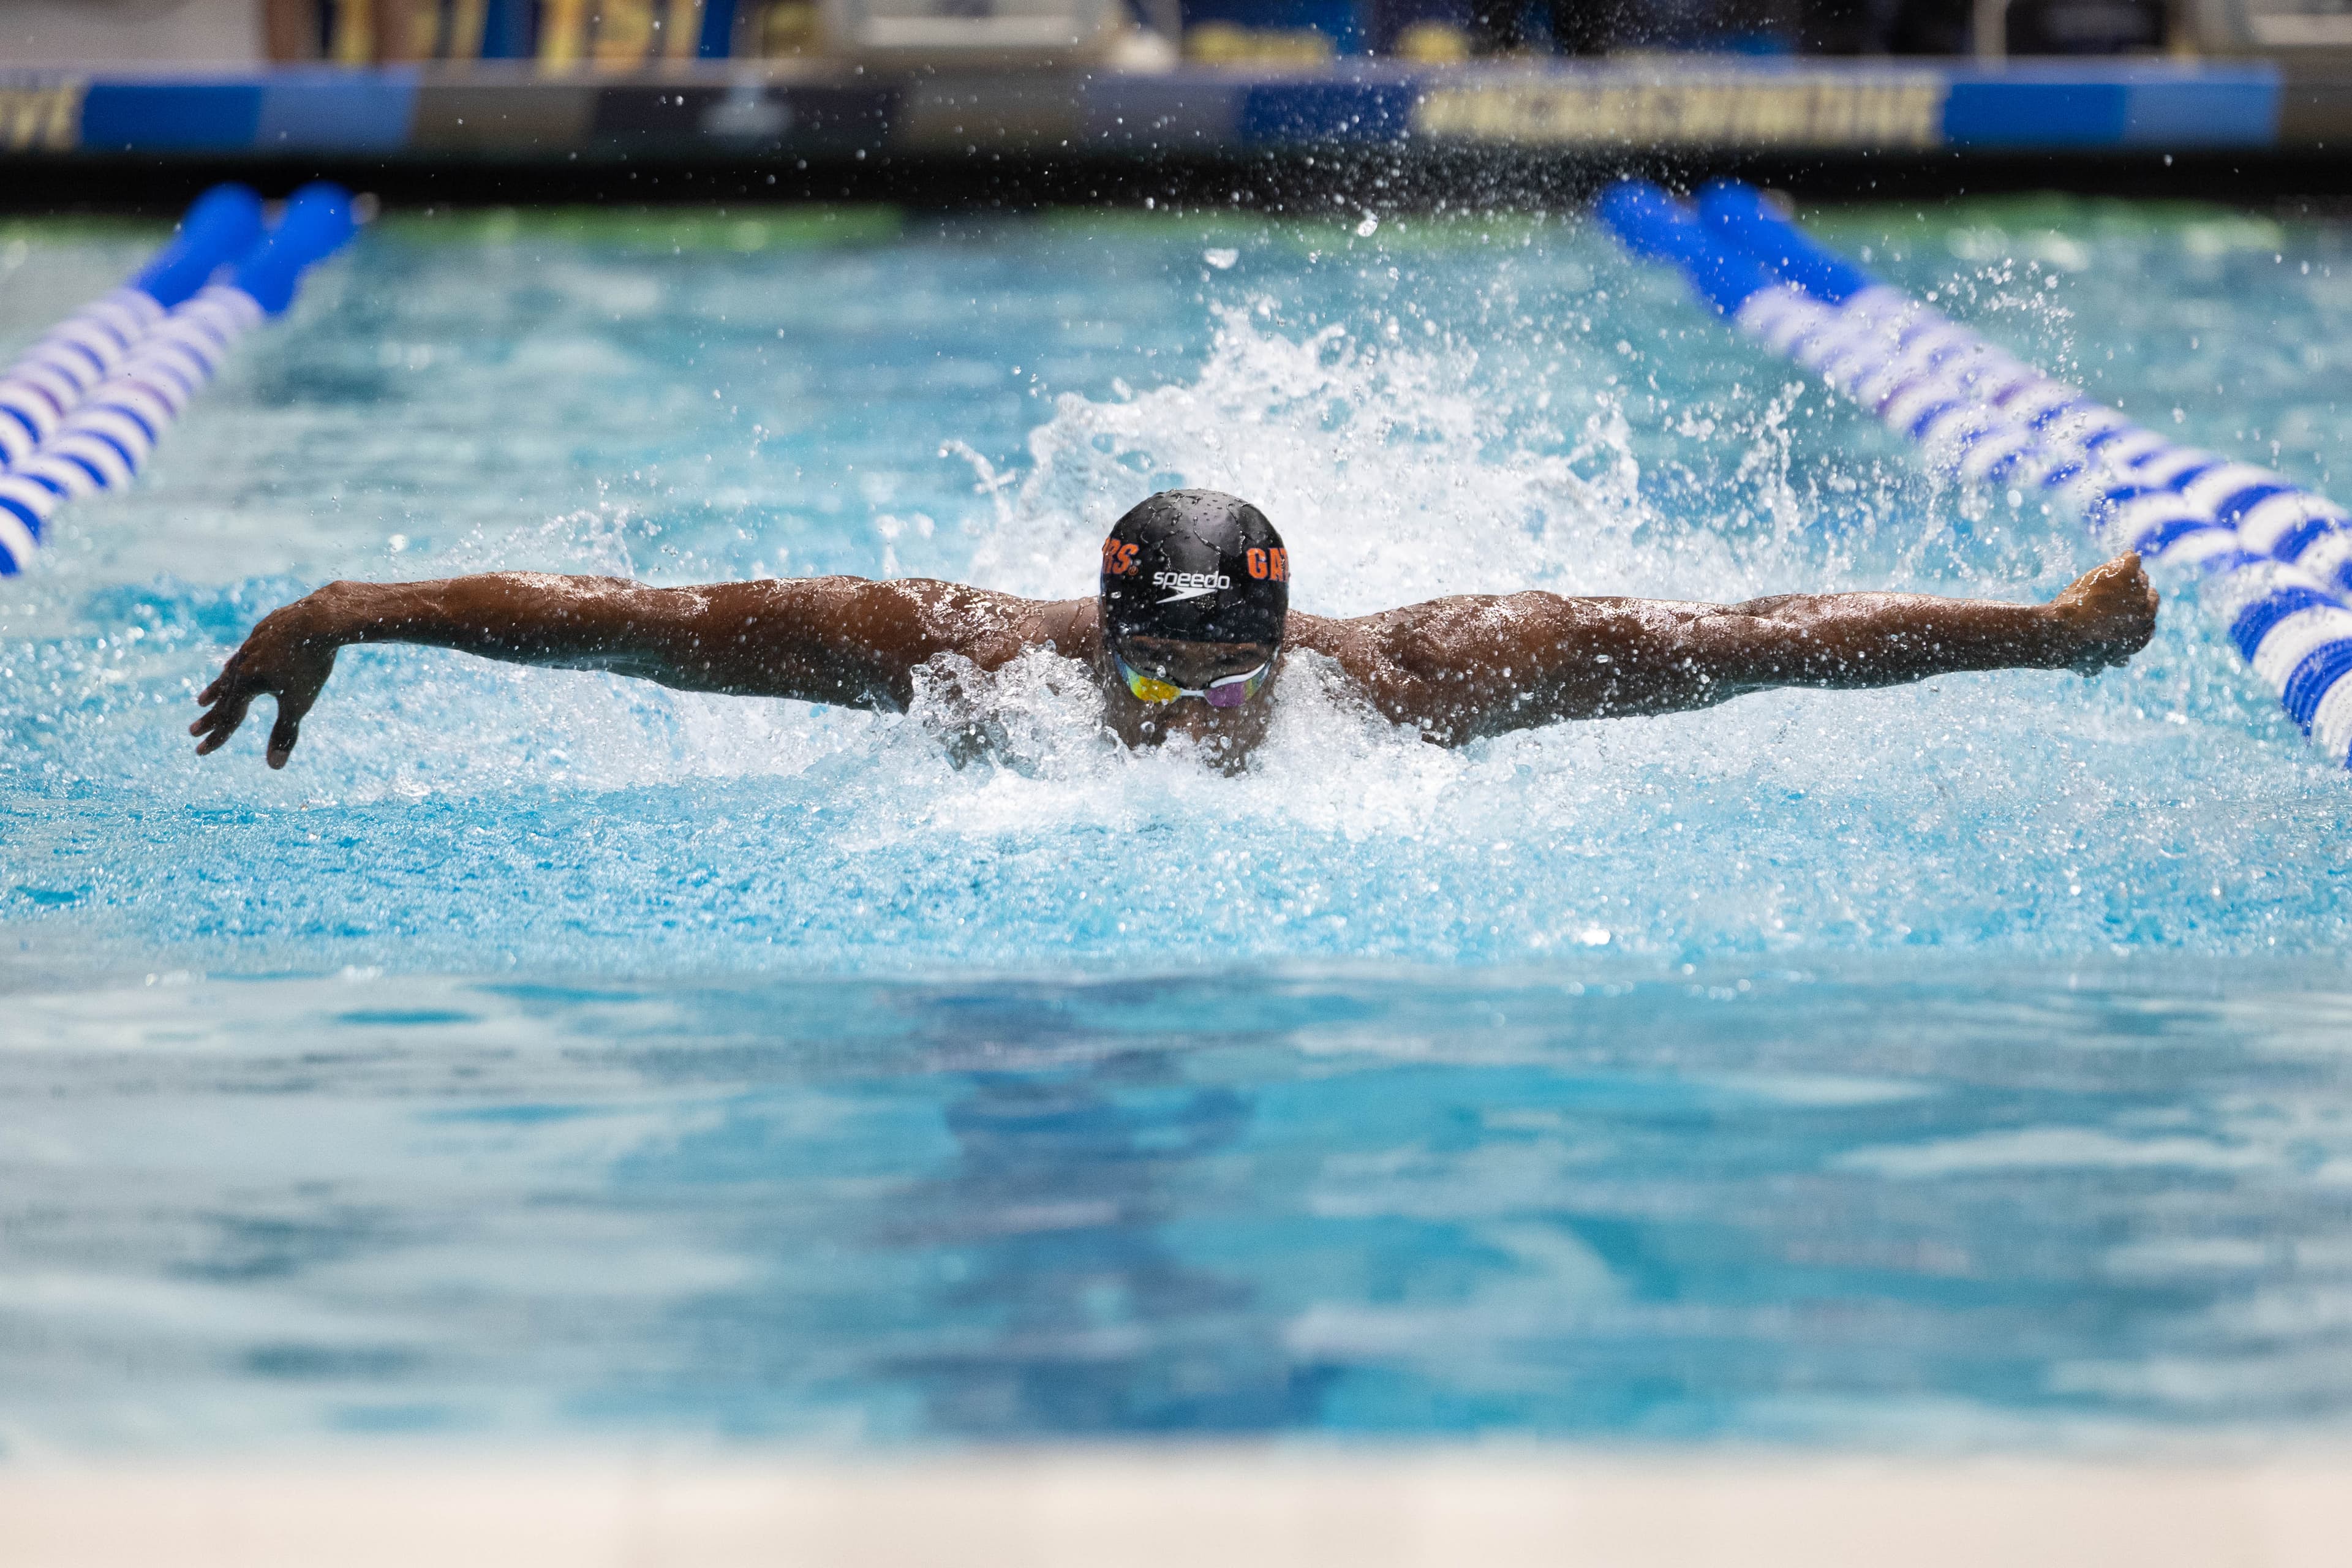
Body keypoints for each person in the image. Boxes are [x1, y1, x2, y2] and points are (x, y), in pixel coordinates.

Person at [192, 489, 2160, 773]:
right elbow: (652, 625)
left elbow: (1760, 635)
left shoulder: (1425, 677)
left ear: (1291, 649)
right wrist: (352, 607)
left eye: (1229, 671)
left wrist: (2041, 636)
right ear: (1101, 624)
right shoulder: (972, 658)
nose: (1191, 707)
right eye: (1161, 665)